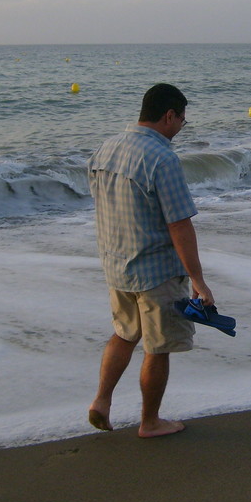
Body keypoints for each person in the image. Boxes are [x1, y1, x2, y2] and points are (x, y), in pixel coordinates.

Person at [86, 83, 213, 438]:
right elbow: (179, 225)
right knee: (158, 348)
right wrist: (199, 281)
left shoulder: (104, 149)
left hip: (116, 263)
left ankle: (101, 400)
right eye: (182, 122)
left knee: (124, 335)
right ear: (169, 115)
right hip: (156, 270)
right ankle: (150, 421)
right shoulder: (162, 158)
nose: (180, 129)